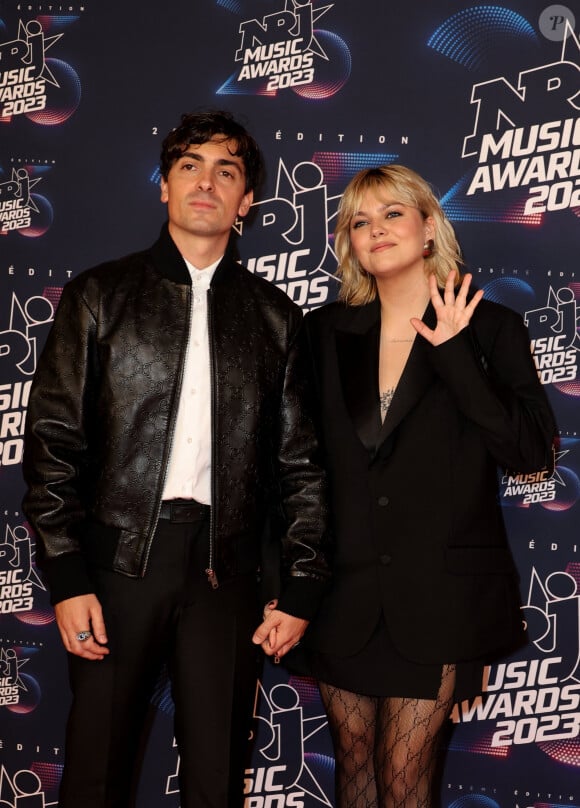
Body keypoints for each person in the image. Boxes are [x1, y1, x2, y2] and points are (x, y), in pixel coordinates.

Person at [22, 109, 330, 808]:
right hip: (116, 564)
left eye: (227, 171)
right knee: (96, 769)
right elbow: (53, 443)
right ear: (163, 186)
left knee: (217, 780)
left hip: (228, 575)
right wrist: (68, 577)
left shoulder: (275, 317)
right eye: (189, 165)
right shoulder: (100, 295)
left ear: (246, 201)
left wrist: (303, 584)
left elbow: (301, 466)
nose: (206, 182)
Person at [302, 164, 557, 807]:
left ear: (428, 228)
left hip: (442, 597)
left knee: (405, 773)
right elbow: (297, 467)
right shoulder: (324, 334)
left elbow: (529, 453)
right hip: (344, 590)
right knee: (354, 761)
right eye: (359, 221)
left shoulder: (492, 328)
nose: (375, 230)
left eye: (392, 213)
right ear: (348, 244)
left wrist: (454, 353)